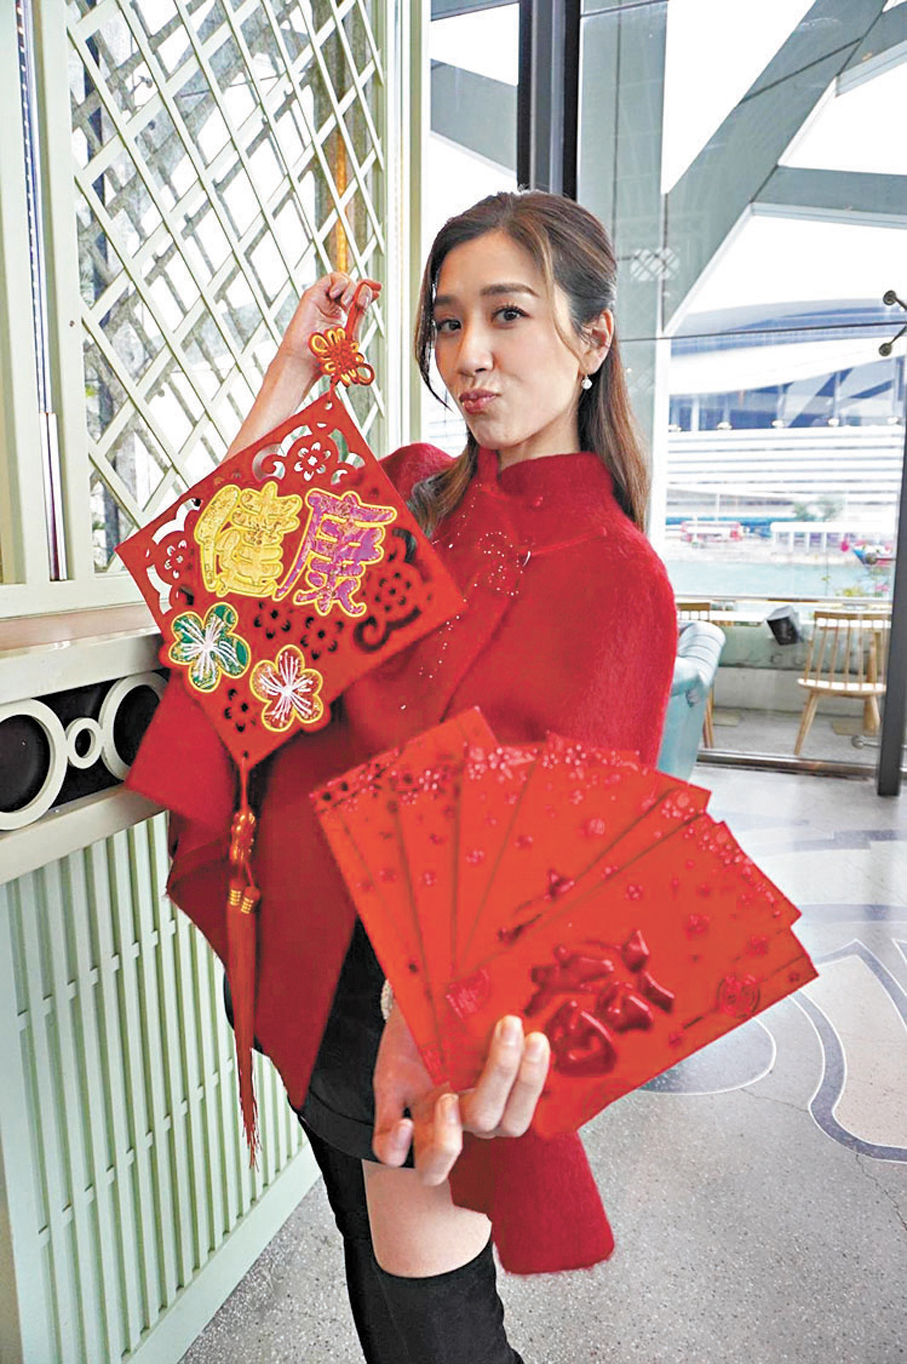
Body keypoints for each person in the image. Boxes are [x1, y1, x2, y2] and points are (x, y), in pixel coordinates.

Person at [128, 190, 677, 1363]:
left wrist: (429, 1022)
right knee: (376, 1283)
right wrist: (292, 370)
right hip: (302, 965)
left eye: (506, 314)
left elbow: (571, 859)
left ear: (592, 336)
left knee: (440, 1326)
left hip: (426, 1010)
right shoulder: (413, 487)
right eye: (445, 321)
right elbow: (226, 576)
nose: (467, 353)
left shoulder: (617, 577)